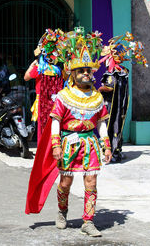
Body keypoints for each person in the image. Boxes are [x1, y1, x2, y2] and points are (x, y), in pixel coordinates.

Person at [25, 28, 112, 237]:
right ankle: (62, 212)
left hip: (90, 144)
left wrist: (106, 146)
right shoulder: (64, 96)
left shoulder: (97, 98)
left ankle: (88, 221)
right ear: (72, 73)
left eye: (88, 71)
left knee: (91, 182)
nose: (86, 74)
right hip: (69, 145)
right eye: (81, 71)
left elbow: (100, 124)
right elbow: (55, 121)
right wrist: (55, 145)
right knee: (65, 182)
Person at [98, 33, 148, 163]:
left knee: (111, 127)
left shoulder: (112, 73)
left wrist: (98, 90)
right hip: (121, 106)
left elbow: (109, 87)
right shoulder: (123, 72)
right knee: (117, 127)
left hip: (112, 106)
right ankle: (116, 151)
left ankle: (111, 153)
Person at [24, 29, 65, 143]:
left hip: (42, 101)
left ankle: (43, 147)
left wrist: (33, 64)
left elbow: (26, 77)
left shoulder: (39, 68)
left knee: (43, 126)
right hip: (57, 101)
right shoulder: (59, 70)